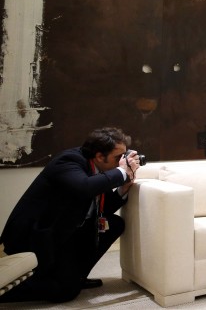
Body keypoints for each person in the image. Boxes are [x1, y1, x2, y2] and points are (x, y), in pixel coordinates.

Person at [0, 127, 142, 303]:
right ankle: (8, 292)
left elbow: (101, 209)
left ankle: (77, 278)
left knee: (114, 224)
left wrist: (123, 188)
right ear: (99, 156)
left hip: (67, 229)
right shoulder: (69, 161)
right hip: (39, 235)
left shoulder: (98, 168)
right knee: (64, 292)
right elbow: (85, 188)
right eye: (117, 157)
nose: (122, 161)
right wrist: (122, 172)